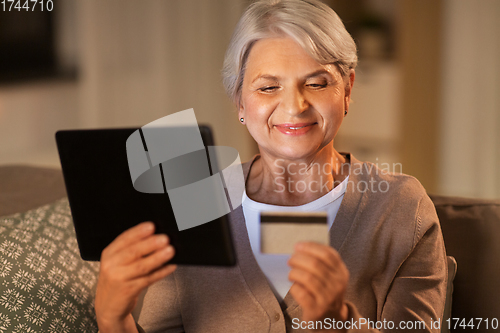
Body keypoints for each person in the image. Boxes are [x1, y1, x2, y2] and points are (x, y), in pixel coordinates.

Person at [94, 0, 447, 332]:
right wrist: (113, 319)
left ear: (348, 89)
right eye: (268, 88)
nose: (294, 107)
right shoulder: (197, 200)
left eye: (316, 83)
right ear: (239, 101)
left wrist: (337, 321)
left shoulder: (402, 208)